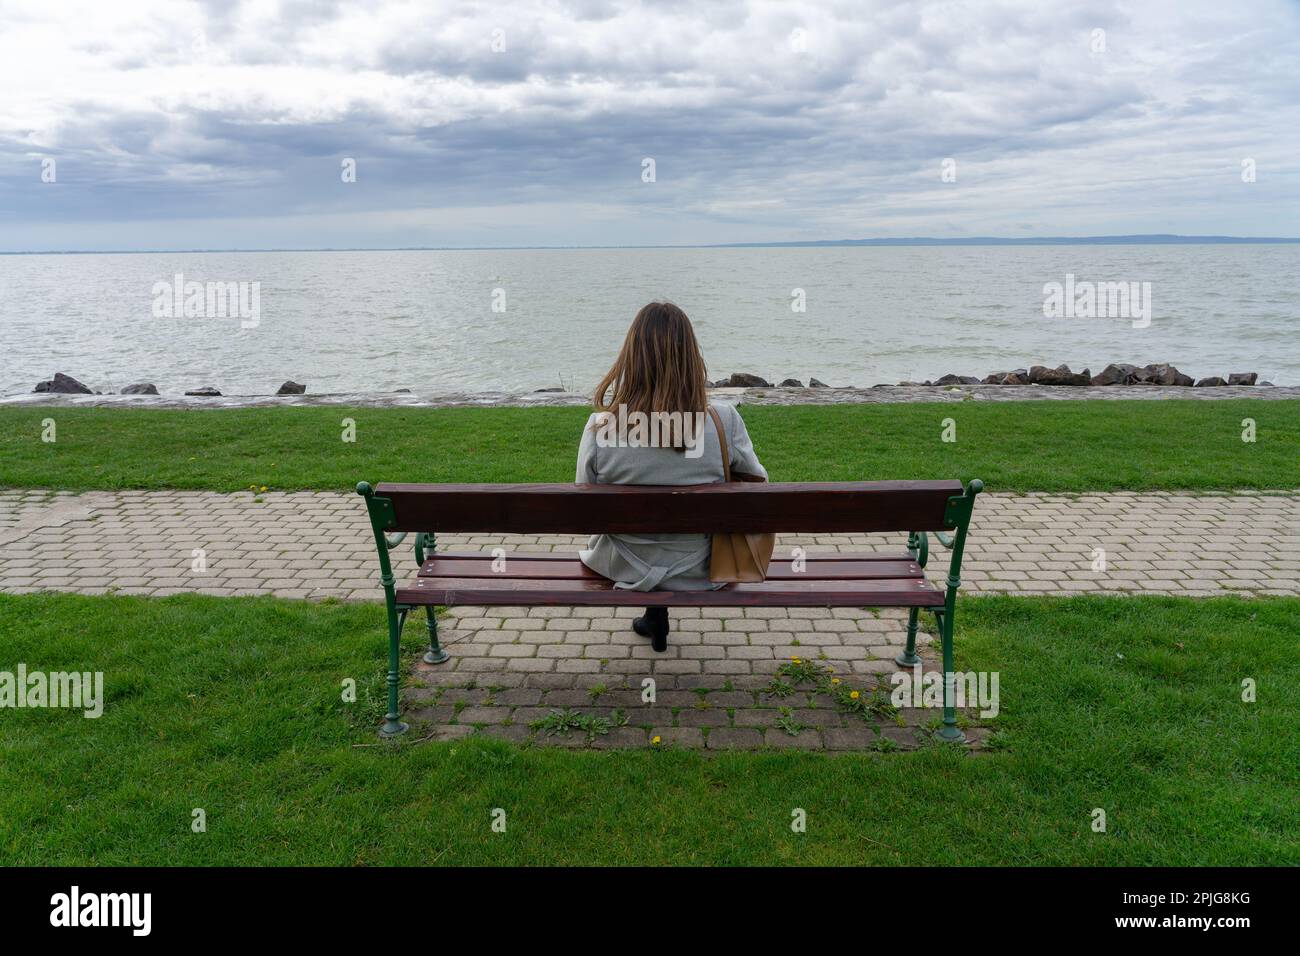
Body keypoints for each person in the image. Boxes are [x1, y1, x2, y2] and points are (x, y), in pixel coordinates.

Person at [575, 301, 766, 651]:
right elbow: (757, 486)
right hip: (702, 568)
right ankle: (655, 614)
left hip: (623, 566)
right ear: (690, 356)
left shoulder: (600, 428)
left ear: (630, 358)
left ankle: (654, 612)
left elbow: (586, 510)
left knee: (642, 539)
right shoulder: (722, 421)